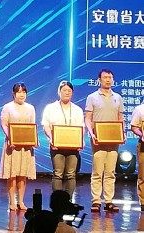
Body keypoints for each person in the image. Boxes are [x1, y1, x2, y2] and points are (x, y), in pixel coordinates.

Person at [84, 68, 123, 213]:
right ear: (99, 80)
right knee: (97, 171)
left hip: (113, 140)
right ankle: (96, 201)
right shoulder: (92, 97)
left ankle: (108, 201)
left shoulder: (118, 97)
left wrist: (122, 133)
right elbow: (88, 118)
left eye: (110, 77)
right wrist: (91, 133)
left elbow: (120, 119)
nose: (108, 80)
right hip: (98, 139)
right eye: (105, 77)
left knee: (110, 171)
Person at [41, 81, 85, 196]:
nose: (67, 93)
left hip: (73, 146)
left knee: (71, 174)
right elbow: (46, 125)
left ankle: (68, 201)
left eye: (69, 91)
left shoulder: (77, 109)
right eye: (64, 90)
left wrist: (81, 140)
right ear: (59, 92)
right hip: (56, 146)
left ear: (72, 93)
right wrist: (51, 138)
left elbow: (81, 127)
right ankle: (58, 201)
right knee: (58, 173)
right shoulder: (50, 108)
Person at [0, 83, 37, 211]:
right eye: (19, 92)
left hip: (26, 146)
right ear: (14, 94)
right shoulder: (7, 107)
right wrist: (10, 137)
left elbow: (32, 126)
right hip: (12, 145)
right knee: (12, 174)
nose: (22, 94)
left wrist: (34, 140)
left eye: (24, 92)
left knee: (23, 174)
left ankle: (21, 201)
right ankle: (12, 201)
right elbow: (4, 124)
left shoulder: (30, 108)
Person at [130, 100, 144, 212]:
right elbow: (134, 127)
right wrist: (142, 134)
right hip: (143, 145)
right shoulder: (140, 109)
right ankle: (143, 201)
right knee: (143, 175)